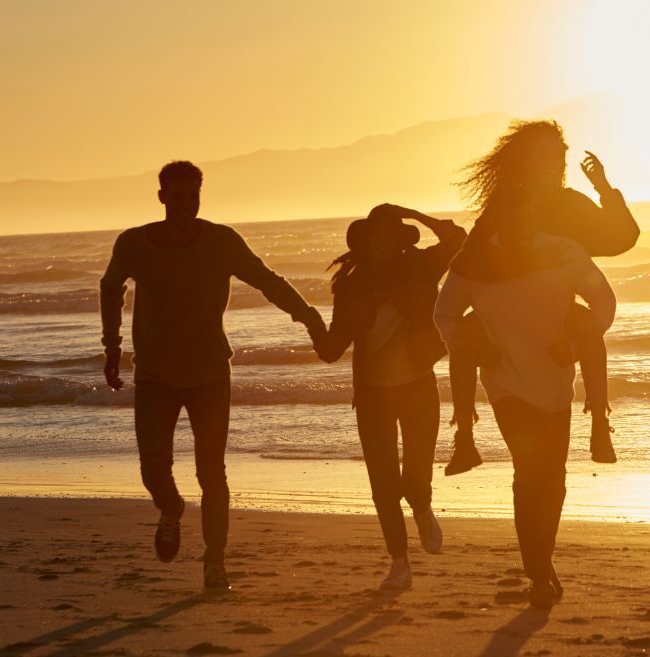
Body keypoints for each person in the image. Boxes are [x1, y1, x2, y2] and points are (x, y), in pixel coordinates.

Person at [99, 161, 324, 592]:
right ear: (162, 196)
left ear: (201, 196)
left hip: (208, 376)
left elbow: (267, 281)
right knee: (153, 468)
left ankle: (214, 563)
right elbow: (110, 287)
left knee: (212, 472)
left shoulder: (222, 241)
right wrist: (112, 346)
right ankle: (171, 509)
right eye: (177, 196)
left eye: (193, 196)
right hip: (154, 377)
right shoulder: (133, 243)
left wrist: (310, 317)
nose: (186, 205)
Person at [433, 186, 616, 609]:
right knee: (529, 472)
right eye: (509, 216)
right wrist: (471, 342)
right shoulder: (475, 262)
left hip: (556, 381)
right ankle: (536, 573)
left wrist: (575, 344)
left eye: (525, 215)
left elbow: (603, 300)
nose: (518, 224)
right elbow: (444, 314)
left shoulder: (562, 251)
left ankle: (600, 425)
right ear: (495, 220)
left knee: (553, 480)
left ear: (535, 216)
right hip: (505, 384)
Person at [443, 120, 639, 475]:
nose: (555, 164)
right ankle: (465, 438)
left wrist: (603, 188)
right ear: (525, 161)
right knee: (466, 334)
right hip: (506, 311)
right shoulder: (504, 203)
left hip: (555, 307)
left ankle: (599, 421)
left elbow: (622, 237)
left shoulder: (568, 204)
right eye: (544, 156)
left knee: (584, 322)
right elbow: (471, 262)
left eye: (559, 157)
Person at [311, 203, 466, 591]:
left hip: (417, 385)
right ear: (366, 242)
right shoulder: (350, 285)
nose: (382, 243)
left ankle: (422, 505)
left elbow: (458, 238)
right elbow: (332, 349)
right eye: (376, 236)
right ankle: (399, 563)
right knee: (382, 484)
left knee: (415, 477)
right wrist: (307, 318)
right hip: (372, 395)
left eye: (390, 235)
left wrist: (412, 213)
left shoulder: (421, 267)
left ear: (399, 241)